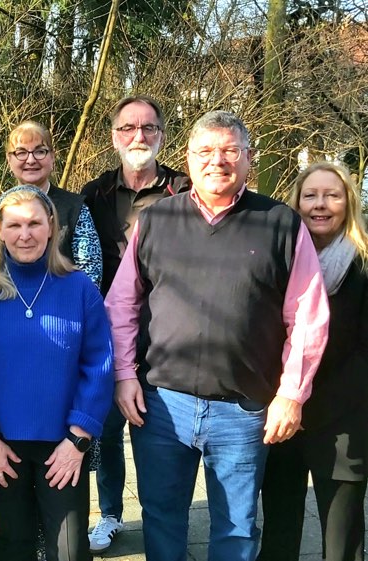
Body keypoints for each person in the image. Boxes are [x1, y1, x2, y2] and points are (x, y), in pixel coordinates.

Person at [105, 110, 330, 561]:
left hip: (243, 410)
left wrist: (291, 394)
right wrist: (125, 374)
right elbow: (121, 304)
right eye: (205, 151)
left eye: (230, 151)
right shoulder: (156, 220)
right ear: (187, 159)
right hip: (163, 406)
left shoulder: (280, 223)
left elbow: (308, 314)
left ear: (248, 158)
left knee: (236, 529)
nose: (217, 161)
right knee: (162, 518)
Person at [0, 185, 114, 561]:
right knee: (15, 543)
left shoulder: (79, 287)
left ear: (52, 227)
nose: (24, 234)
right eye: (14, 225)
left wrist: (78, 440)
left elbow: (99, 364)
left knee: (70, 548)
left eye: (34, 223)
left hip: (63, 445)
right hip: (0, 446)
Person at [79, 95, 190, 553]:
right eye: (127, 128)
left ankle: (162, 517)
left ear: (161, 135)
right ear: (114, 137)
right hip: (105, 336)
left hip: (166, 335)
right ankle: (109, 513)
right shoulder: (95, 193)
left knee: (158, 434)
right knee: (103, 429)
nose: (138, 136)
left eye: (147, 127)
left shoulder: (184, 190)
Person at [257, 161, 368, 561]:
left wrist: (308, 404)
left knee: (342, 542)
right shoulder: (279, 261)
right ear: (296, 204)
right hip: (282, 419)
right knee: (279, 534)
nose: (320, 205)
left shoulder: (363, 264)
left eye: (332, 195)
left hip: (343, 423)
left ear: (348, 203)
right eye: (311, 195)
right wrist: (286, 399)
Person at [0, 120, 102, 288]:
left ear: (52, 157)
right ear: (9, 160)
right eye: (21, 153)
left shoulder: (75, 209)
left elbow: (91, 277)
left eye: (40, 151)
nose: (31, 160)